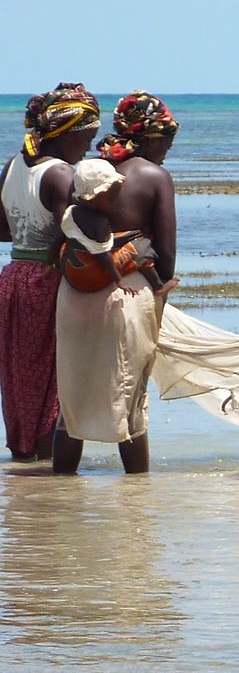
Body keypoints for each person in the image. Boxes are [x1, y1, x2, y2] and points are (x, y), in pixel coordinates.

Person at [52, 90, 179, 475]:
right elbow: (167, 250)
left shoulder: (91, 171)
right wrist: (160, 285)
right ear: (152, 137)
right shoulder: (155, 176)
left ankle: (59, 497)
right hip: (127, 292)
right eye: (168, 138)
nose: (169, 148)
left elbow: (61, 232)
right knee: (130, 399)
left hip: (74, 294)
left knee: (71, 400)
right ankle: (135, 498)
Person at [0, 83, 100, 461]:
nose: (88, 147)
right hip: (47, 280)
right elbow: (72, 234)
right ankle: (46, 460)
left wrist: (28, 228)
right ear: (67, 134)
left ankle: (23, 458)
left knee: (18, 376)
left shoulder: (12, 165)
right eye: (86, 138)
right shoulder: (60, 174)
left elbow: (1, 228)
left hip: (12, 277)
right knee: (55, 375)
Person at [59, 159, 176, 296]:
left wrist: (50, 264)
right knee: (141, 247)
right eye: (111, 199)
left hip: (71, 273)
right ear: (91, 199)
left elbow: (58, 238)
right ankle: (158, 286)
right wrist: (118, 281)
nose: (115, 204)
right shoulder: (100, 222)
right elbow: (103, 254)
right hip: (90, 276)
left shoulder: (71, 211)